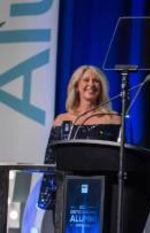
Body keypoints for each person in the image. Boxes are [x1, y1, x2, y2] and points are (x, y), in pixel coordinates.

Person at [38, 65, 120, 228]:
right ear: (76, 86)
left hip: (102, 191)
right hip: (67, 192)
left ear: (102, 87)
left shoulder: (114, 119)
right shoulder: (61, 119)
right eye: (86, 80)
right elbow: (51, 159)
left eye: (96, 81)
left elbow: (119, 159)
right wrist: (47, 196)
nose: (91, 84)